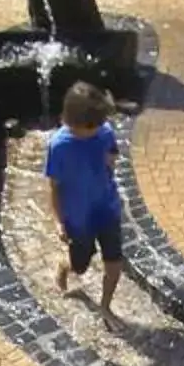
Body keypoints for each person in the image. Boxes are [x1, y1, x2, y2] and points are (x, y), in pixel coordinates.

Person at [44, 81, 124, 313]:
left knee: (114, 264)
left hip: (107, 210)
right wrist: (59, 221)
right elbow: (54, 187)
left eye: (99, 124)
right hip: (78, 218)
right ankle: (65, 266)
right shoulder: (59, 146)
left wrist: (108, 167)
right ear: (73, 122)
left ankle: (105, 307)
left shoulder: (104, 132)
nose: (97, 129)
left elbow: (111, 156)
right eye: (92, 126)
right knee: (81, 266)